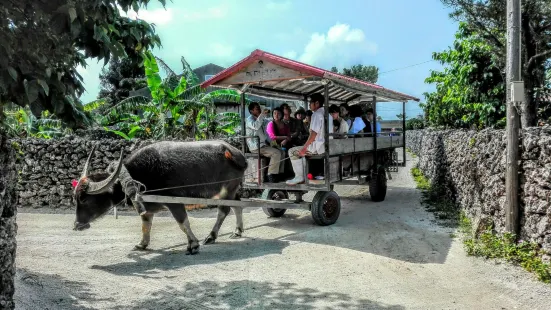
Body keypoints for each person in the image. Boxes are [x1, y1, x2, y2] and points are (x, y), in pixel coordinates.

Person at [286, 93, 326, 186]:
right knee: (300, 151)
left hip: (317, 147)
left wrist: (305, 147)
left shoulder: (317, 114)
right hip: (325, 146)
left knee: (292, 151)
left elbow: (313, 134)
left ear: (316, 103)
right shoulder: (326, 113)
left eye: (310, 102)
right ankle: (305, 175)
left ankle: (299, 177)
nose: (309, 105)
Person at [245, 102, 284, 183]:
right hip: (256, 146)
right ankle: (271, 175)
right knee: (276, 153)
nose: (259, 109)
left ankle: (279, 174)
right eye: (257, 108)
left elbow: (266, 134)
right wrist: (262, 115)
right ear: (251, 111)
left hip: (263, 145)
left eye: (259, 107)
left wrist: (273, 144)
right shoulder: (250, 119)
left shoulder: (261, 119)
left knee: (282, 152)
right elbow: (255, 126)